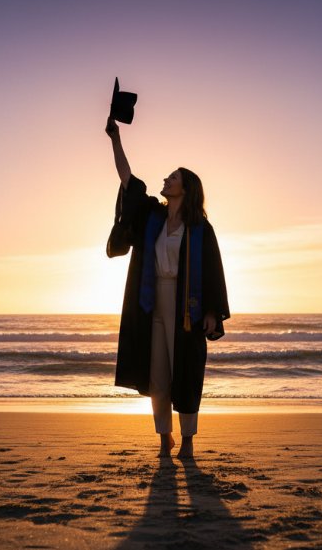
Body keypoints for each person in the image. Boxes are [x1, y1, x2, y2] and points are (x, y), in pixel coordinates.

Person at [105, 117, 230, 459]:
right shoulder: (152, 217)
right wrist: (115, 139)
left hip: (186, 307)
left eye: (172, 177)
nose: (166, 179)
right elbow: (127, 180)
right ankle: (164, 438)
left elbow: (213, 270)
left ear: (185, 188)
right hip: (152, 302)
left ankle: (188, 439)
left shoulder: (200, 228)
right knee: (158, 373)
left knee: (187, 374)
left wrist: (210, 310)